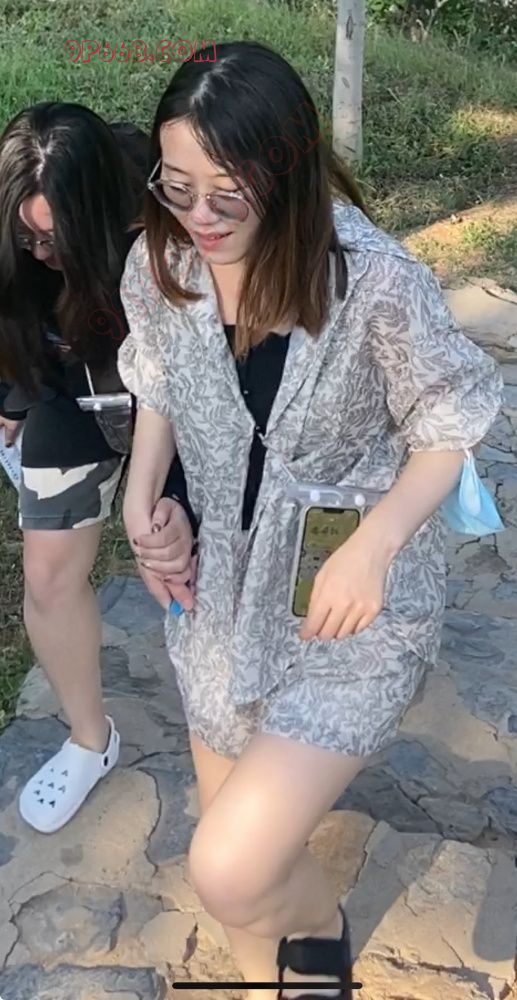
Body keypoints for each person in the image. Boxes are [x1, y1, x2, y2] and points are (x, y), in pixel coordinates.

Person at [117, 41, 503, 1000]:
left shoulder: (374, 281)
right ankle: (276, 985)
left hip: (347, 610)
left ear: (286, 176)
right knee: (240, 877)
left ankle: (321, 935)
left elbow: (449, 421)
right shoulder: (166, 256)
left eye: (227, 194)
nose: (198, 218)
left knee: (229, 867)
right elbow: (156, 375)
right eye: (176, 187)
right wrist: (142, 495)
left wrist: (375, 546)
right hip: (218, 600)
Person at [0, 102, 195, 834]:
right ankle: (90, 739)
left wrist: (170, 494)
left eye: (56, 239)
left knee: (191, 566)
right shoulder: (16, 240)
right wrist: (13, 394)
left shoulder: (162, 217)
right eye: (26, 237)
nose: (41, 254)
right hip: (67, 394)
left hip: (176, 405)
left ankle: (241, 732)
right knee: (48, 574)